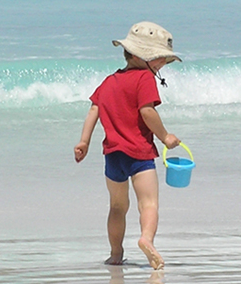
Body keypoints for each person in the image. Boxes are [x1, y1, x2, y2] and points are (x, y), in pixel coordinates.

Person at [75, 21, 181, 270]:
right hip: (140, 154)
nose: (162, 64)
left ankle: (115, 254)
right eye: (158, 58)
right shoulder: (144, 78)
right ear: (140, 56)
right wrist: (165, 136)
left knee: (117, 207)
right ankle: (146, 238)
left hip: (113, 156)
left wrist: (84, 141)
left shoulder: (109, 81)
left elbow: (94, 109)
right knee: (149, 204)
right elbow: (147, 112)